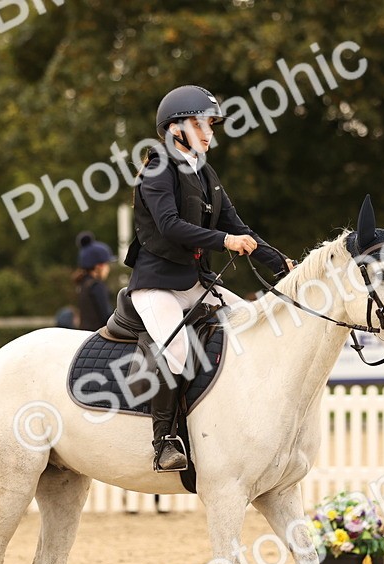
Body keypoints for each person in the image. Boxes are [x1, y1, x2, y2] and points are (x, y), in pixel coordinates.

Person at [126, 84, 294, 472]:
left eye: (211, 125)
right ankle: (165, 441)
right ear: (175, 128)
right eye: (201, 123)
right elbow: (170, 226)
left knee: (253, 325)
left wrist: (281, 263)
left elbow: (239, 226)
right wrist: (225, 241)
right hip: (157, 286)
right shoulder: (157, 169)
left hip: (196, 282)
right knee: (179, 349)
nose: (209, 132)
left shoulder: (206, 173)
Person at [74, 231, 115, 331]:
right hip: (96, 335)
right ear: (99, 266)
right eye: (107, 264)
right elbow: (107, 317)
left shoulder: (84, 284)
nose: (108, 268)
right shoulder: (96, 285)